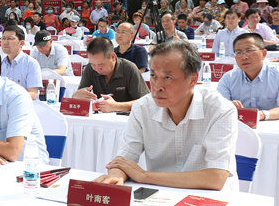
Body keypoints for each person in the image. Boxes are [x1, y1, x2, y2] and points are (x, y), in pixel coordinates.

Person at [93, 40, 237, 191]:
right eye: (153, 75)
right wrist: (116, 175)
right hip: (160, 194)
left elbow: (215, 178)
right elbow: (125, 158)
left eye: (168, 77)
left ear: (193, 79)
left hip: (209, 197)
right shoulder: (142, 108)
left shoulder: (220, 110)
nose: (157, 87)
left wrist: (145, 176)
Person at [216, 33, 279, 121]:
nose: (244, 57)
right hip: (239, 126)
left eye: (249, 51)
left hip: (273, 126)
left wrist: (261, 115)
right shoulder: (228, 78)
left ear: (263, 53)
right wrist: (229, 107)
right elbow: (218, 108)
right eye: (239, 52)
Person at [73, 37, 148, 113]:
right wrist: (77, 96)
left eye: (101, 65)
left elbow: (145, 102)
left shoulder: (129, 68)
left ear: (113, 57)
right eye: (93, 64)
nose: (97, 69)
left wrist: (117, 106)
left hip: (127, 117)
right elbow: (79, 95)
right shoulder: (90, 68)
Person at [0, 25, 42, 100]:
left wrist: (10, 97)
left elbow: (33, 94)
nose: (5, 42)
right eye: (3, 38)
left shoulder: (31, 64)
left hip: (24, 105)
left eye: (10, 38)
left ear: (21, 43)